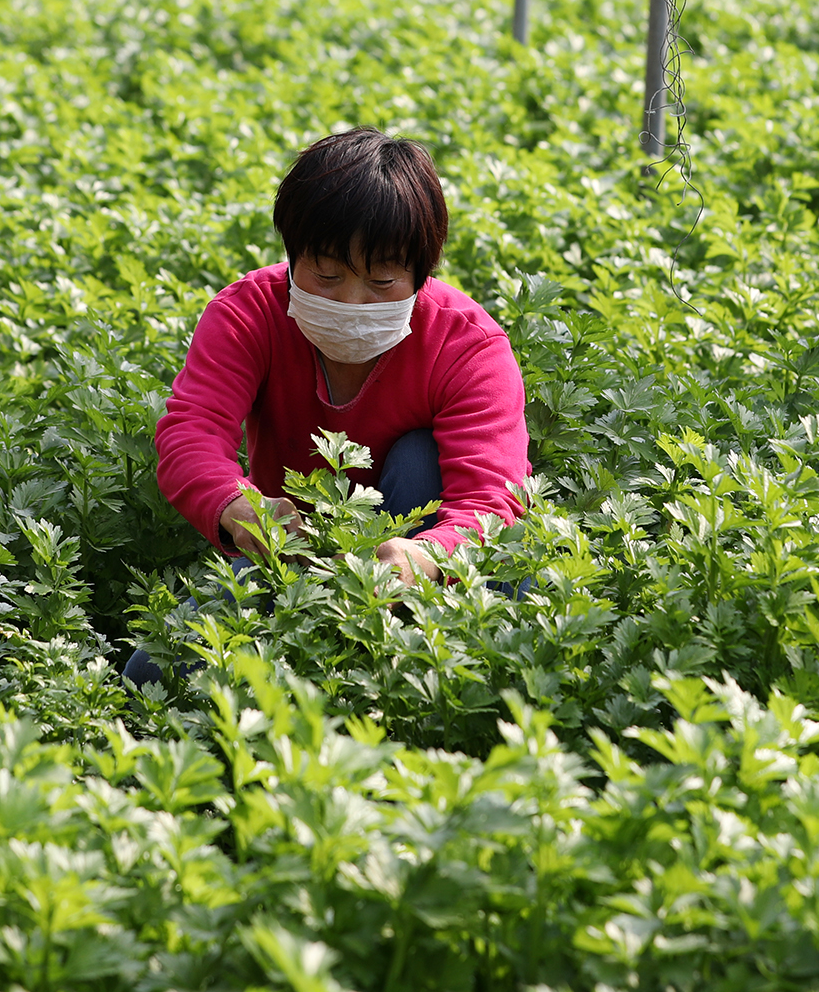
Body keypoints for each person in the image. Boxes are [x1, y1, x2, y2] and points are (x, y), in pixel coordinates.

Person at [138, 128, 531, 685]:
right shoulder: (248, 313)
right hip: (284, 554)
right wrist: (235, 504)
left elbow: (491, 497)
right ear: (292, 255)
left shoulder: (465, 344)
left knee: (423, 459)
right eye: (326, 275)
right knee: (152, 674)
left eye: (381, 281)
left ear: (422, 275)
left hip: (414, 574)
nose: (351, 302)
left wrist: (433, 554)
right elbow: (191, 431)